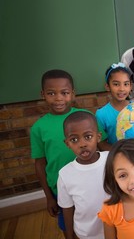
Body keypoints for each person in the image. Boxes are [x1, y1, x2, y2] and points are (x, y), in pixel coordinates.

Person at [30, 69, 108, 233]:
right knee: (68, 225)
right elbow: (39, 164)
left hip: (93, 183)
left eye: (64, 93)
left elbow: (103, 146)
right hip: (60, 189)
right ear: (43, 94)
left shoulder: (86, 117)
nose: (58, 98)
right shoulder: (38, 128)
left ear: (73, 94)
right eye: (51, 93)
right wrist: (49, 197)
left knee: (97, 221)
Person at [58, 111, 109, 239]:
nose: (82, 144)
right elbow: (67, 208)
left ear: (98, 137)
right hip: (87, 234)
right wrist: (70, 235)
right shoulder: (65, 174)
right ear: (67, 144)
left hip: (118, 229)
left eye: (88, 137)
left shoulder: (111, 160)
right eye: (74, 140)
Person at [96, 62, 132, 144]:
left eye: (126, 84)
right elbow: (101, 143)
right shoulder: (101, 114)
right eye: (116, 84)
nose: (122, 89)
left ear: (130, 86)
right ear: (107, 87)